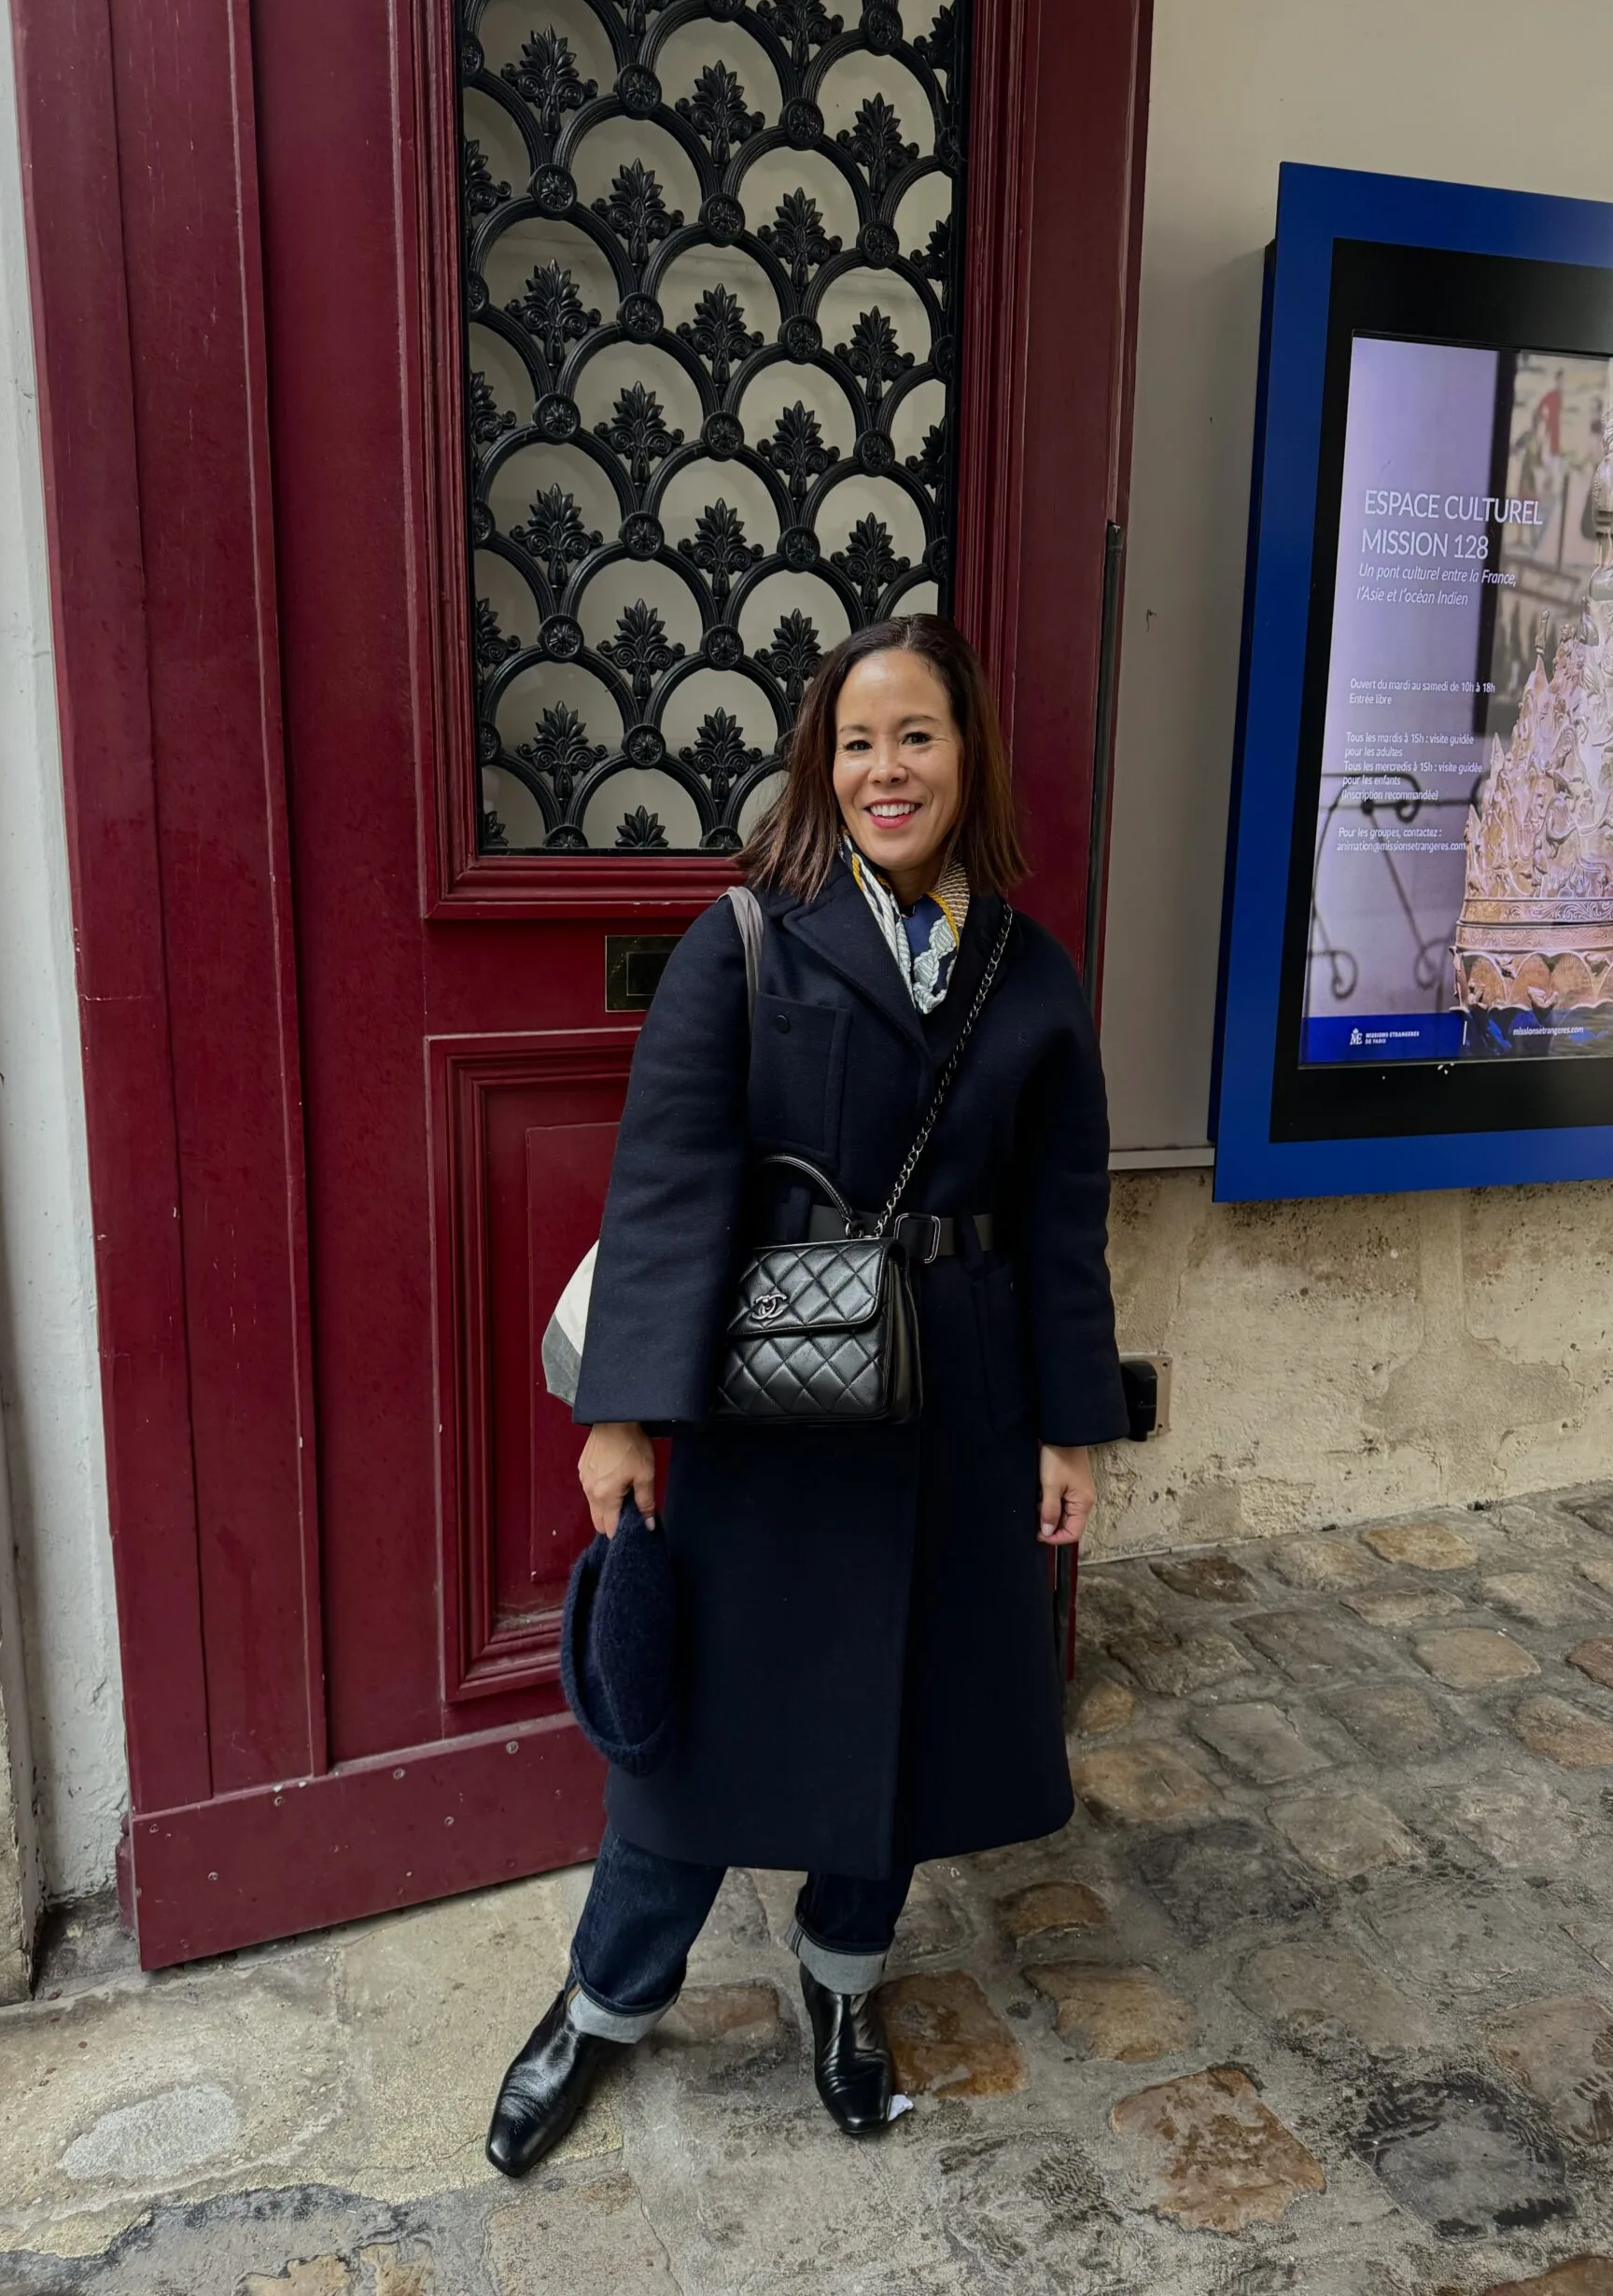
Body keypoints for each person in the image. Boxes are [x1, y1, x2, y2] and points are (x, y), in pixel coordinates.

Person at [485, 614, 1128, 2176]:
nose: (883, 768)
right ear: (818, 763)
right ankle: (604, 2000)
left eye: (914, 735)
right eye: (855, 740)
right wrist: (623, 1413)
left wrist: (1071, 1425)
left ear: (964, 755)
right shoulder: (748, 937)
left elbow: (1062, 1213)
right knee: (694, 1739)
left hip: (958, 1406)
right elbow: (667, 1183)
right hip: (774, 1407)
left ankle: (845, 1991)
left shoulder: (1027, 970)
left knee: (898, 1728)